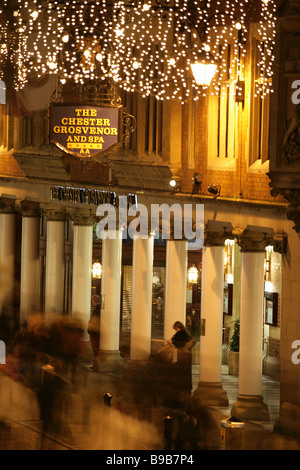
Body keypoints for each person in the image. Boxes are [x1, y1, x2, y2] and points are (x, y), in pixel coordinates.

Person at [88, 295, 101, 371]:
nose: (92, 302)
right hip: (94, 331)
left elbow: (95, 319)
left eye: (92, 300)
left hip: (95, 332)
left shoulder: (97, 309)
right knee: (95, 348)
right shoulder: (97, 309)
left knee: (95, 348)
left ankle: (97, 365)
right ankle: (95, 364)